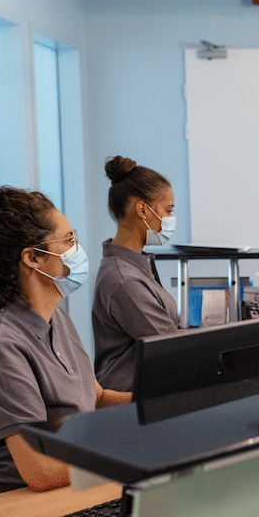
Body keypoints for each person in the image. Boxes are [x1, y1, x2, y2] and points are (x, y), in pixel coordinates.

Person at [0, 186, 131, 503]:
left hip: (66, 492)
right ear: (32, 258)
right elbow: (41, 471)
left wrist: (169, 402)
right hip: (8, 510)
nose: (78, 249)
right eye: (69, 241)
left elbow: (95, 398)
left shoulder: (56, 319)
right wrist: (135, 449)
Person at [93, 156, 178, 391]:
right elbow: (173, 346)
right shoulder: (124, 279)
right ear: (142, 209)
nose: (170, 220)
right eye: (168, 210)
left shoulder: (136, 266)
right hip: (128, 400)